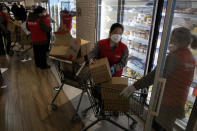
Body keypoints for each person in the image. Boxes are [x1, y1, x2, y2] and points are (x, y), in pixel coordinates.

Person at [121, 27, 197, 131]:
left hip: (167, 100)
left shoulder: (174, 57)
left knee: (164, 126)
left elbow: (154, 76)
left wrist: (134, 87)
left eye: (173, 40)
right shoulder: (191, 57)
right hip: (180, 98)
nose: (170, 42)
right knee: (167, 124)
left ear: (181, 41)